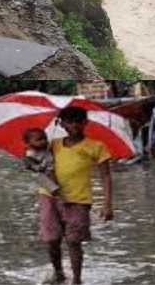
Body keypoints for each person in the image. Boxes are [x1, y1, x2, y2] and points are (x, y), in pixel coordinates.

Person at [37, 107, 113, 285]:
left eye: (78, 121)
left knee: (74, 241)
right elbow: (38, 167)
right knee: (52, 240)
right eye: (69, 121)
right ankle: (59, 273)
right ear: (61, 124)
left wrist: (107, 204)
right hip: (49, 197)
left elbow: (106, 176)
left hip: (78, 199)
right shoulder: (52, 144)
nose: (74, 125)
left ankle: (77, 280)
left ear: (86, 123)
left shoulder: (96, 146)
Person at [23, 128, 59, 195]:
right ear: (29, 143)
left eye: (45, 138)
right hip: (43, 171)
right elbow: (28, 163)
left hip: (51, 168)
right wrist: (36, 167)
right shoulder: (31, 152)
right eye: (39, 140)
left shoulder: (46, 147)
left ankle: (55, 189)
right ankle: (53, 190)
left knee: (54, 180)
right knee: (46, 180)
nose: (43, 141)